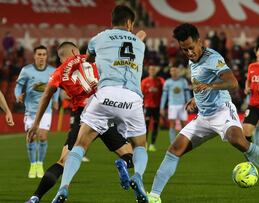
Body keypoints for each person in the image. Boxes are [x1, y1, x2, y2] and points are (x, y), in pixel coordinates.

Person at [147, 23, 259, 203]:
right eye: (184, 49)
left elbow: (232, 83)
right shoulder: (192, 59)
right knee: (174, 149)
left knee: (237, 140)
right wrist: (197, 98)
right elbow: (201, 82)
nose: (189, 53)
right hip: (203, 116)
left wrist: (211, 86)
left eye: (191, 48)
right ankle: (154, 196)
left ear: (199, 42)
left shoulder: (212, 58)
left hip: (222, 111)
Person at [52, 5, 149, 203]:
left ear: (112, 21)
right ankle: (137, 176)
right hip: (132, 98)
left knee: (79, 145)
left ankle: (63, 188)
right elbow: (134, 40)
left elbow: (88, 59)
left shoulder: (99, 38)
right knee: (140, 146)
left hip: (105, 96)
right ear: (129, 23)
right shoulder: (140, 44)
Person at [24, 42, 134, 203]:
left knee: (63, 162)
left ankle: (35, 197)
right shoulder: (92, 59)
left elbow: (46, 95)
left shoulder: (58, 72)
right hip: (105, 110)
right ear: (76, 51)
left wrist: (35, 124)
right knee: (130, 153)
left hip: (83, 116)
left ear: (61, 58)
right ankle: (123, 163)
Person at [15, 45, 59, 179]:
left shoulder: (53, 71)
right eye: (39, 54)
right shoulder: (26, 70)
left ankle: (39, 164)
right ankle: (32, 164)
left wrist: (56, 100)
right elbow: (18, 86)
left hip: (46, 110)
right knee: (31, 137)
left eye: (44, 54)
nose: (41, 57)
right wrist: (18, 95)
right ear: (34, 56)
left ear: (47, 56)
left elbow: (55, 87)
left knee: (43, 136)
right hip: (30, 110)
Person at [160, 66, 191, 143]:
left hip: (183, 105)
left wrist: (189, 103)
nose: (174, 72)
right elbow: (164, 96)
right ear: (170, 72)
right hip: (172, 105)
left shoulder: (183, 81)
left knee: (184, 125)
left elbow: (187, 93)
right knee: (172, 125)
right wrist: (162, 107)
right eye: (172, 71)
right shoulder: (167, 82)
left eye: (175, 70)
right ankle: (172, 143)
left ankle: (184, 142)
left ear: (178, 72)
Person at [141, 65, 164, 151]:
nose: (152, 71)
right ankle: (145, 143)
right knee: (146, 125)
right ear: (149, 71)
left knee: (155, 125)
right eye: (151, 69)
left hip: (157, 107)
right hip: (147, 106)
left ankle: (152, 144)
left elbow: (164, 93)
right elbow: (141, 94)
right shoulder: (144, 81)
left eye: (154, 69)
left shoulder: (160, 81)